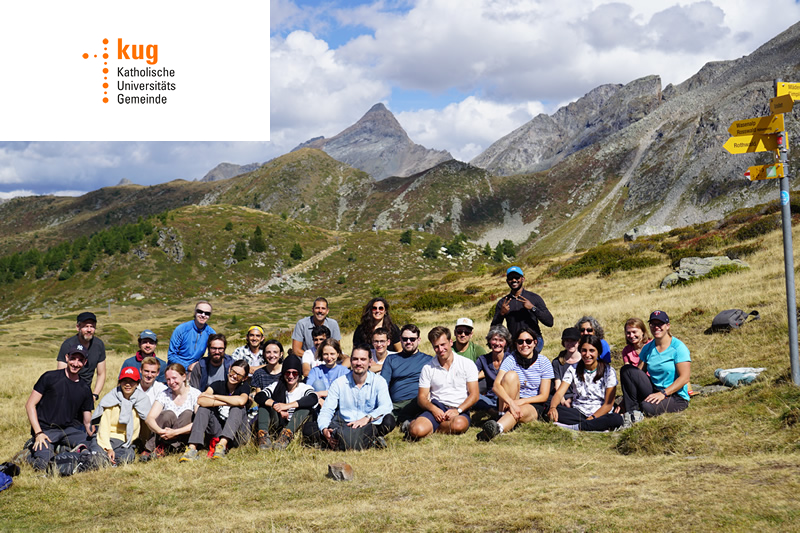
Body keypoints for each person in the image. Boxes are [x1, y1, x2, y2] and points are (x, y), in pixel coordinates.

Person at [25, 341, 94, 471]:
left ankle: (62, 449)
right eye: (73, 358)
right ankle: (29, 453)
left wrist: (94, 433)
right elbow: (30, 405)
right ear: (67, 358)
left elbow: (87, 420)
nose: (75, 363)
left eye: (80, 360)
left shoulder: (85, 388)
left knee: (92, 449)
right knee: (44, 464)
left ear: (85, 363)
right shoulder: (49, 377)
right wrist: (38, 433)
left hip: (69, 431)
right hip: (46, 430)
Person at [477, 327, 553, 441]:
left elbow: (544, 396)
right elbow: (496, 386)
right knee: (510, 375)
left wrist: (521, 402)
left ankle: (497, 428)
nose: (524, 345)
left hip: (532, 403)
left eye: (528, 341)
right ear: (516, 344)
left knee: (521, 410)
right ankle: (503, 419)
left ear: (535, 343)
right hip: (511, 401)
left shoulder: (544, 362)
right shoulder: (511, 359)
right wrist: (511, 403)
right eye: (520, 342)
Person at [314, 345, 394, 450]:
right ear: (351, 361)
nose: (359, 363)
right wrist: (324, 429)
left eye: (363, 359)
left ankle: (347, 441)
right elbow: (327, 409)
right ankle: (369, 441)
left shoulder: (379, 381)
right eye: (355, 359)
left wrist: (366, 418)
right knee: (311, 429)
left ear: (370, 362)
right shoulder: (339, 383)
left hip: (368, 424)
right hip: (345, 424)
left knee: (389, 421)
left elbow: (386, 406)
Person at [620, 311, 691, 426]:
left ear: (667, 326)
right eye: (653, 324)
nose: (656, 327)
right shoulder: (648, 347)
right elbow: (637, 374)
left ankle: (638, 411)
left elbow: (684, 378)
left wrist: (663, 393)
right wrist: (625, 400)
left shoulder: (678, 347)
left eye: (660, 324)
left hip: (676, 396)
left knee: (647, 406)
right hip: (654, 390)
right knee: (627, 370)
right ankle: (631, 412)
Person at [407, 326, 479, 440]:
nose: (440, 349)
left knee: (459, 425)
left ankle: (433, 428)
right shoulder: (428, 368)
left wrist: (458, 410)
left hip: (458, 408)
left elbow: (474, 395)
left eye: (443, 345)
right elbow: (421, 398)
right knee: (416, 431)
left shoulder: (467, 364)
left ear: (451, 342)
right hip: (436, 407)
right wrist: (433, 409)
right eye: (436, 346)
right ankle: (417, 425)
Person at [547, 335, 623, 432]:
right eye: (584, 350)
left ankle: (577, 427)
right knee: (552, 410)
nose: (587, 355)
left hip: (600, 413)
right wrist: (553, 408)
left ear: (598, 352)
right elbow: (559, 393)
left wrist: (592, 418)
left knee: (616, 419)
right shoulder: (573, 369)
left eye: (592, 351)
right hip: (579, 411)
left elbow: (608, 405)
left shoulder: (608, 371)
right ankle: (593, 427)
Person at [181, 359, 251, 461]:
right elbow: (201, 400)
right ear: (229, 370)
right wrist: (228, 401)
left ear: (244, 378)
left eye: (239, 375)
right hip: (217, 430)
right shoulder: (217, 384)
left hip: (237, 434)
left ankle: (222, 446)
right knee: (203, 409)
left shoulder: (244, 387)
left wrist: (215, 397)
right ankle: (192, 448)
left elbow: (241, 401)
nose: (234, 376)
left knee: (237, 408)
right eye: (233, 372)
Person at [254, 354, 317, 450]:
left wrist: (287, 406)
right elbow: (259, 396)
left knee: (305, 407)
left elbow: (313, 398)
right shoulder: (276, 385)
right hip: (278, 422)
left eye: (294, 373)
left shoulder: (304, 388)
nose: (291, 376)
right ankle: (263, 437)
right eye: (287, 373)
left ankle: (286, 435)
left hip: (297, 425)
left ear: (299, 374)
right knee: (264, 403)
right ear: (283, 373)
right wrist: (276, 406)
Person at [91, 367, 152, 465]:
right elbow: (104, 427)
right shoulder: (110, 399)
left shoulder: (142, 400)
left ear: (137, 383)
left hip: (124, 442)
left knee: (127, 457)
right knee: (95, 454)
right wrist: (108, 448)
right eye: (124, 381)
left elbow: (149, 422)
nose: (128, 384)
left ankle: (108, 462)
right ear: (120, 382)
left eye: (132, 381)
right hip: (107, 438)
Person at [142, 363, 201, 460]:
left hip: (183, 435)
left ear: (183, 376)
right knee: (167, 414)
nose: (171, 382)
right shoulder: (164, 394)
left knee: (187, 413)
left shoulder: (195, 394)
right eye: (168, 379)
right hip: (164, 435)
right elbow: (149, 419)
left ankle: (170, 447)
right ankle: (152, 448)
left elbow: (199, 422)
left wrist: (175, 432)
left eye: (174, 378)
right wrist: (161, 431)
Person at [380, 324, 431, 424]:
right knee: (385, 420)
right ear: (400, 339)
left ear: (418, 340)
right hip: (396, 404)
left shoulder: (428, 360)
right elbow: (383, 385)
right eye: (405, 339)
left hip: (417, 402)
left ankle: (409, 421)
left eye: (412, 339)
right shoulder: (391, 359)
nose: (408, 342)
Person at [491, 266, 553, 349]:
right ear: (507, 281)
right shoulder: (503, 302)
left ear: (523, 279)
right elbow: (493, 328)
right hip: (514, 343)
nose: (514, 280)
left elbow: (549, 322)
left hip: (534, 341)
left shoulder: (534, 298)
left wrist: (532, 308)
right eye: (510, 278)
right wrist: (501, 314)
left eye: (516, 277)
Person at [56, 311, 106, 402]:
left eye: (92, 326)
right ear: (78, 327)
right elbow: (60, 374)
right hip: (67, 392)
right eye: (86, 326)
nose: (89, 330)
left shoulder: (99, 345)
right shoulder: (68, 345)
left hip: (86, 393)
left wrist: (94, 395)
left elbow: (101, 374)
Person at [167, 300, 216, 373]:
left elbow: (211, 355)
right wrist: (187, 366)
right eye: (200, 311)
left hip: (195, 369)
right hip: (176, 368)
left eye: (207, 313)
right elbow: (171, 355)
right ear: (195, 312)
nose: (203, 315)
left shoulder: (211, 333)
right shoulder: (181, 329)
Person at [474, 325, 511, 415]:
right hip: (489, 398)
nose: (497, 343)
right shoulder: (483, 359)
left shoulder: (511, 359)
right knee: (471, 395)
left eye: (501, 340)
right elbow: (471, 376)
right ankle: (491, 410)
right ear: (489, 341)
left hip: (506, 397)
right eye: (494, 339)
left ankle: (497, 412)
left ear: (506, 343)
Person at [306, 339, 349, 404]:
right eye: (325, 354)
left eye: (332, 354)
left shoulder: (344, 371)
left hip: (339, 405)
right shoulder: (315, 371)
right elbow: (307, 389)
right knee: (318, 384)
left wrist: (321, 393)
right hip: (319, 405)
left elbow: (345, 392)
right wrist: (319, 400)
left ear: (337, 354)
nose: (329, 358)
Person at [551, 327, 581, 402]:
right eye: (567, 341)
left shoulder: (585, 361)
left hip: (581, 398)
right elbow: (557, 384)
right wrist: (562, 401)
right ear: (563, 342)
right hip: (562, 397)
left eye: (573, 341)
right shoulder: (557, 362)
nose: (570, 344)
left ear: (579, 342)